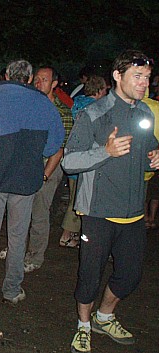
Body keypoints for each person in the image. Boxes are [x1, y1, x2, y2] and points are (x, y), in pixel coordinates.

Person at [63, 50, 156, 353]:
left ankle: (104, 316)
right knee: (90, 276)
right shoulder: (93, 113)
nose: (144, 83)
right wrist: (106, 152)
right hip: (99, 212)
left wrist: (155, 157)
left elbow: (147, 150)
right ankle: (83, 325)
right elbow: (70, 161)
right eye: (137, 77)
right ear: (118, 76)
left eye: (147, 77)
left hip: (133, 213)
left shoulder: (144, 113)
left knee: (129, 275)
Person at [0, 59, 64, 304]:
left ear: (8, 75)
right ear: (30, 78)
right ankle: (11, 289)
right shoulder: (45, 105)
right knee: (18, 235)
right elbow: (54, 145)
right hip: (26, 181)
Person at [21, 66, 71, 273]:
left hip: (48, 164)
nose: (39, 83)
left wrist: (45, 175)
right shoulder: (28, 106)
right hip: (27, 163)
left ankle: (35, 256)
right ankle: (18, 249)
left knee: (39, 211)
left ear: (54, 84)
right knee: (20, 209)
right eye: (37, 79)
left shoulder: (62, 112)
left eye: (44, 79)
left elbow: (59, 149)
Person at [60, 75, 107, 247]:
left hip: (73, 159)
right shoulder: (94, 109)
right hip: (85, 163)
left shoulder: (76, 103)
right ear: (100, 90)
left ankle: (70, 235)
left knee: (75, 199)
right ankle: (67, 236)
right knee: (78, 202)